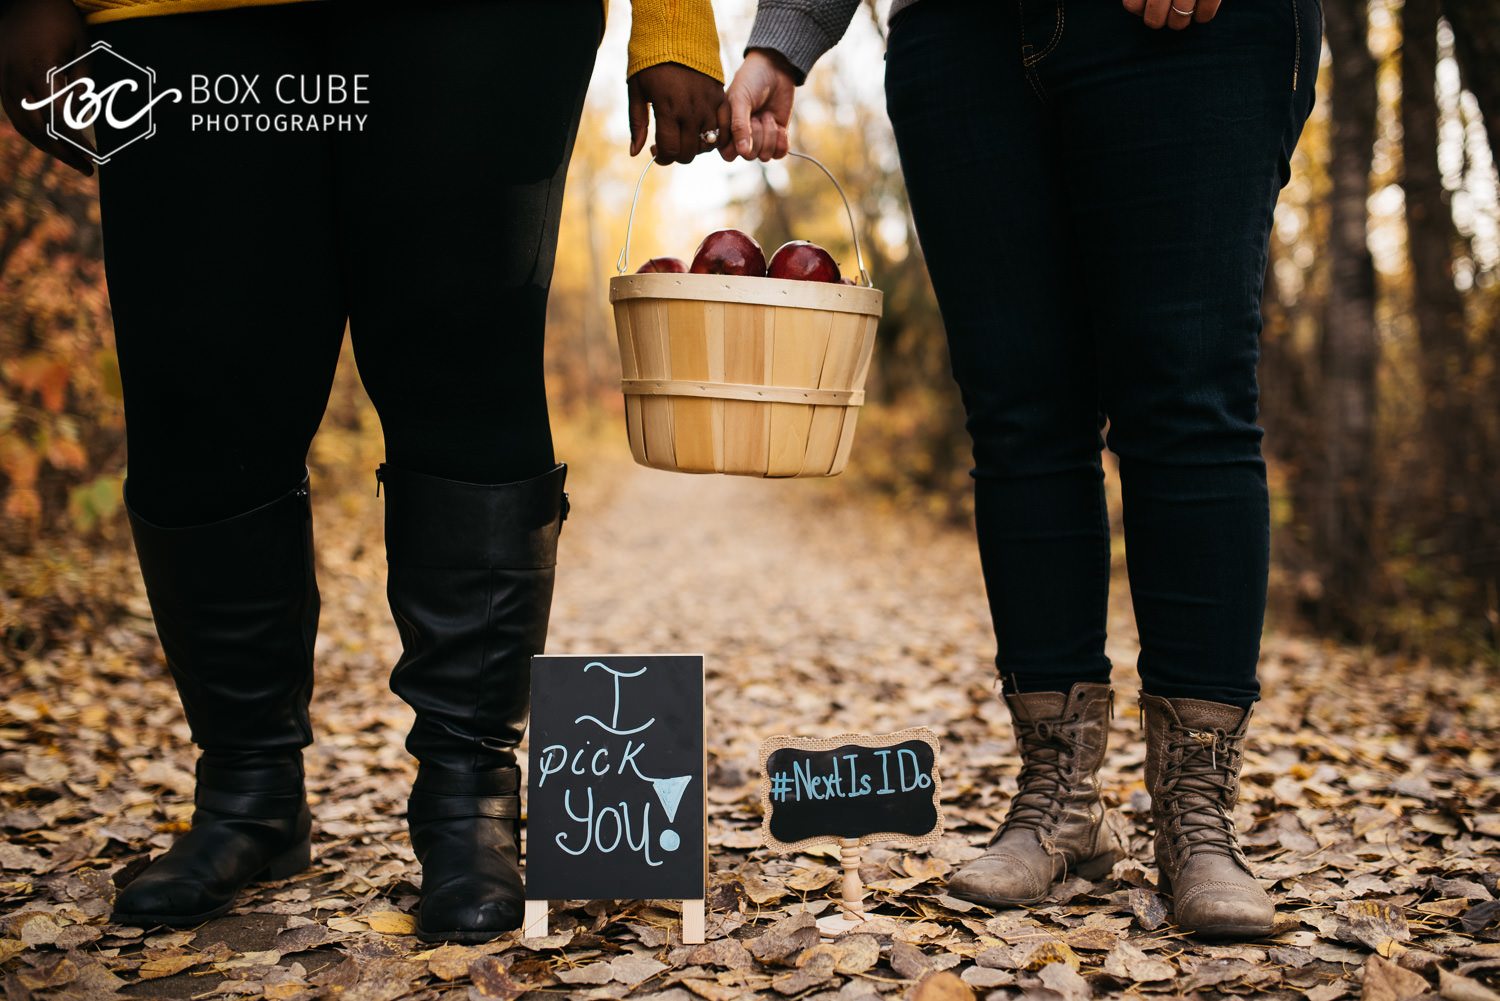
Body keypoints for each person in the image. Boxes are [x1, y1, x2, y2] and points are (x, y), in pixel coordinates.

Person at [0, 0, 726, 943]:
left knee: (467, 365)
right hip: (177, 15)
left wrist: (675, 22)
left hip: (481, 24)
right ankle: (248, 794)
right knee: (199, 381)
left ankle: (470, 801)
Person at [724, 0, 1319, 939]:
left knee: (1188, 396)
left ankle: (1197, 812)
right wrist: (785, 34)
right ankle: (1060, 797)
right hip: (961, 38)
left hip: (1183, 32)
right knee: (1019, 414)